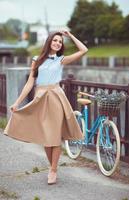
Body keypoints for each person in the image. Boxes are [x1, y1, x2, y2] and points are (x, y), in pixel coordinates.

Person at [4, 30, 88, 185]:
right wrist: (17, 102)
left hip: (56, 97)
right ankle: (52, 166)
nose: (57, 43)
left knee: (55, 136)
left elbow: (84, 50)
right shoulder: (37, 60)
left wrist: (71, 36)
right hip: (40, 98)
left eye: (60, 42)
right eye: (55, 40)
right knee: (46, 137)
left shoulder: (61, 59)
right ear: (49, 41)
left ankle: (53, 170)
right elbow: (30, 82)